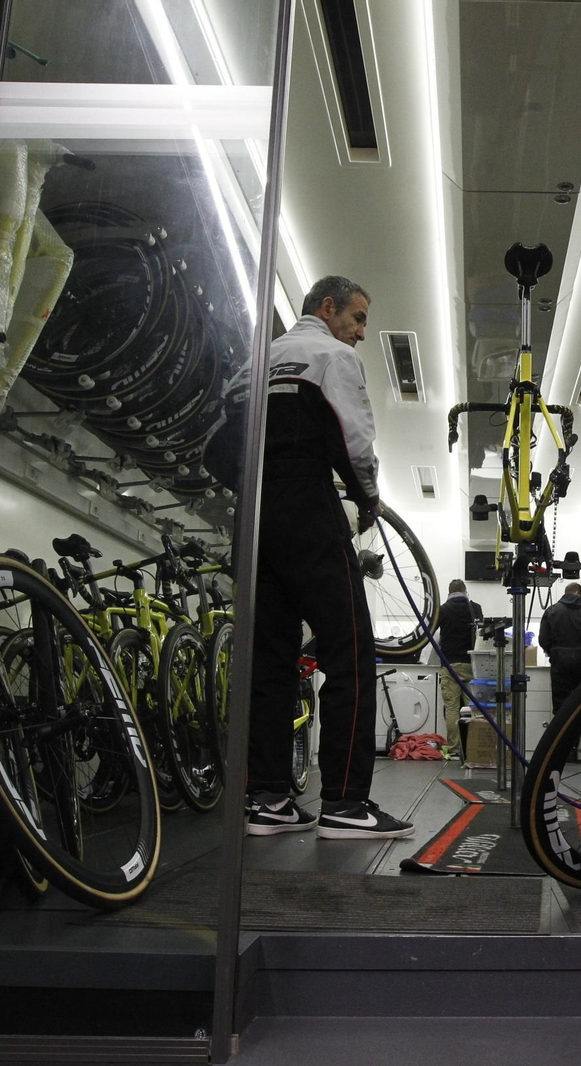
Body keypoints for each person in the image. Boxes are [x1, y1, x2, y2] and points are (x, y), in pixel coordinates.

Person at [237, 276, 414, 839]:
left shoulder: (254, 362)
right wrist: (367, 499)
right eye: (358, 319)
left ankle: (268, 799)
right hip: (308, 507)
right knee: (351, 653)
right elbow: (354, 442)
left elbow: (219, 438)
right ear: (328, 307)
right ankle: (345, 803)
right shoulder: (333, 357)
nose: (360, 333)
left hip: (253, 516)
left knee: (270, 659)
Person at [434, 578, 484, 758]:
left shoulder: (442, 610)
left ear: (449, 593)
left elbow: (430, 632)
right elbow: (481, 634)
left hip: (450, 665)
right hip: (472, 665)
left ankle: (454, 749)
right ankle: (472, 748)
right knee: (472, 709)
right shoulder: (475, 608)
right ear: (465, 591)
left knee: (452, 708)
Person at [538, 582, 581, 712]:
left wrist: (553, 652)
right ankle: (578, 725)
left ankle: (562, 725)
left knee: (560, 703)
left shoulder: (552, 611)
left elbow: (543, 639)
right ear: (577, 593)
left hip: (559, 661)